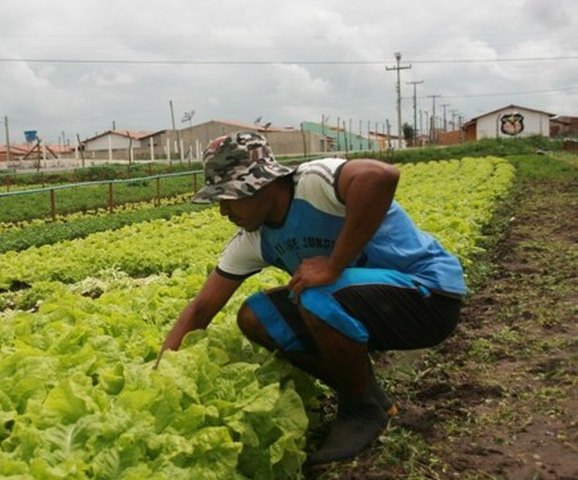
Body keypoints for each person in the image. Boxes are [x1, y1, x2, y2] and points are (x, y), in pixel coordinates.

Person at [156, 131, 466, 467]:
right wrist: (162, 374)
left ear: (261, 184)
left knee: (315, 294)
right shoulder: (254, 238)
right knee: (256, 316)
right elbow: (201, 308)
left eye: (229, 197)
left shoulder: (315, 183)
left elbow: (381, 176)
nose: (223, 211)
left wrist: (334, 264)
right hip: (370, 308)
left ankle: (359, 411)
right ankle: (369, 398)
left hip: (427, 297)